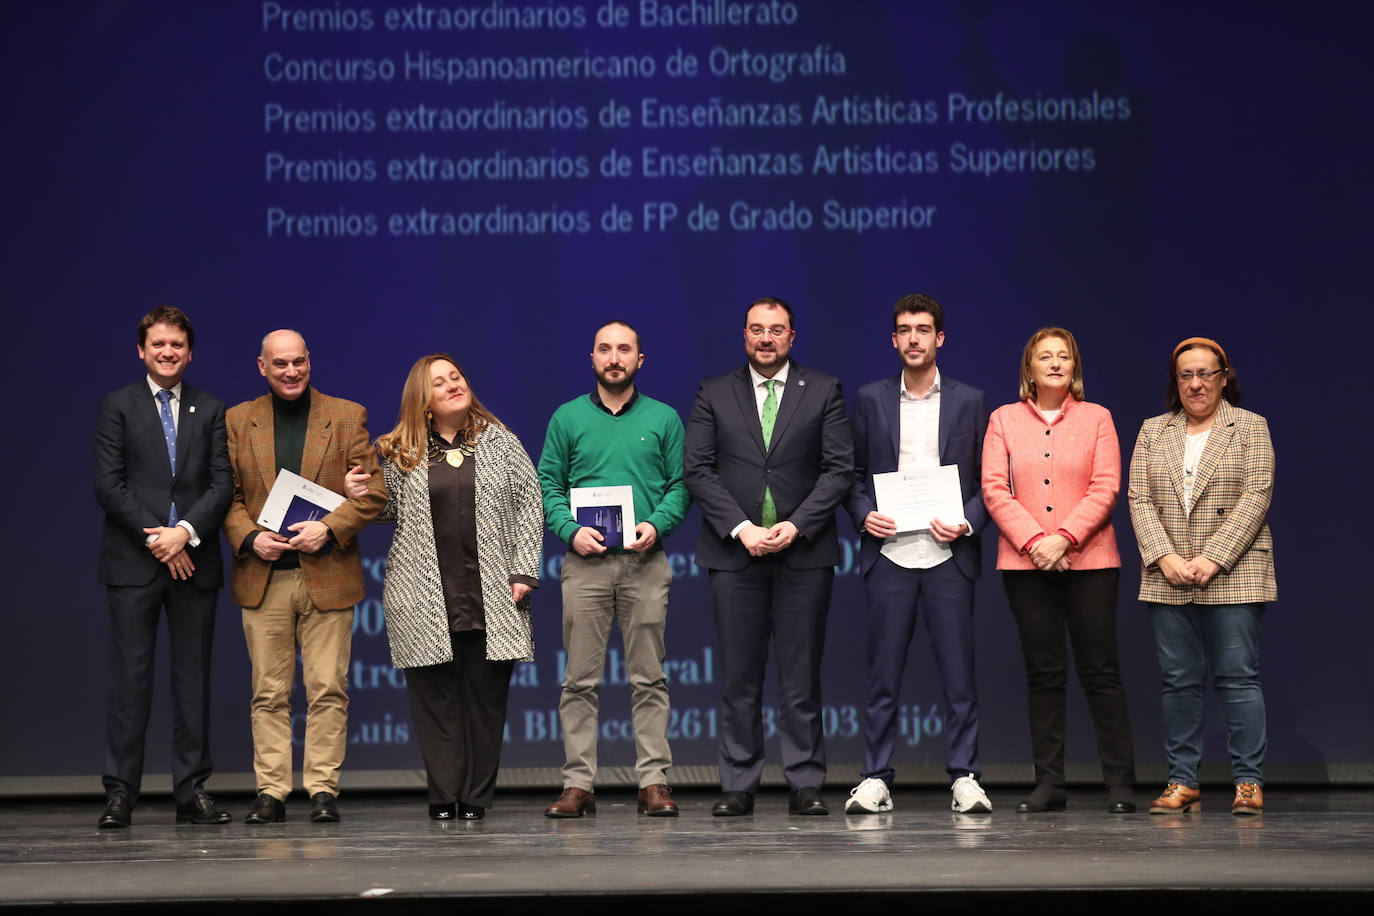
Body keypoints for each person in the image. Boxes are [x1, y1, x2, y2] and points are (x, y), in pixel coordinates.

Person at [352, 355, 541, 821]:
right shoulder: (401, 450)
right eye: (440, 383)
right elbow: (386, 510)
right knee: (435, 704)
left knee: (485, 703)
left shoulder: (501, 442)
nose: (453, 385)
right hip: (421, 596)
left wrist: (522, 570)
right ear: (424, 401)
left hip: (492, 593)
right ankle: (443, 794)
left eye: (456, 376)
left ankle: (474, 797)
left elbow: (529, 505)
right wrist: (358, 494)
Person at [684, 297, 853, 817]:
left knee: (801, 678)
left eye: (776, 330)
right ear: (744, 336)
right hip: (736, 556)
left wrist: (796, 525)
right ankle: (739, 782)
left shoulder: (823, 390)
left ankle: (804, 781)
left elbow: (839, 469)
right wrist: (742, 529)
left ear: (792, 337)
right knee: (739, 678)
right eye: (756, 329)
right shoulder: (714, 391)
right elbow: (698, 470)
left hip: (803, 555)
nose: (766, 338)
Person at [223, 329, 387, 824]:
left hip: (327, 572)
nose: (291, 372)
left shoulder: (345, 415)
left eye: (298, 362)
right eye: (280, 364)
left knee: (327, 688)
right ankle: (271, 791)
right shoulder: (237, 420)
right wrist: (250, 537)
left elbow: (373, 494)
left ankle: (322, 790)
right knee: (268, 693)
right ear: (261, 366)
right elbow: (226, 497)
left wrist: (330, 528)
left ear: (309, 361)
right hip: (264, 574)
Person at [842, 294, 993, 816]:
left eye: (923, 329)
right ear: (893, 340)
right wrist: (864, 515)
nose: (913, 338)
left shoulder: (971, 401)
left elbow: (986, 481)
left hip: (950, 553)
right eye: (904, 330)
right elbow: (851, 476)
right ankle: (876, 777)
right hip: (890, 552)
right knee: (882, 678)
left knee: (959, 679)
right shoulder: (870, 399)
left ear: (939, 339)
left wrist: (967, 520)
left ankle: (966, 776)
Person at [537, 321, 691, 818]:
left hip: (645, 561)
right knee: (579, 680)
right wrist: (567, 529)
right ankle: (578, 784)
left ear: (640, 360)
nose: (614, 357)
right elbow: (547, 484)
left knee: (649, 678)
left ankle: (652, 782)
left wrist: (658, 523)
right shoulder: (567, 418)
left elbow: (681, 485)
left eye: (624, 349)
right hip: (586, 564)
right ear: (593, 358)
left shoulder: (664, 418)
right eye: (605, 349)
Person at [982, 327, 1136, 814]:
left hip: (1090, 562)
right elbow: (994, 489)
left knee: (1101, 671)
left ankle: (1120, 784)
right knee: (1044, 673)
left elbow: (1106, 485)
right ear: (1029, 368)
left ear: (1074, 367)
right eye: (1044, 357)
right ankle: (1049, 782)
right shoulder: (1003, 419)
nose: (1054, 364)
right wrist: (1036, 543)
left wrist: (1063, 538)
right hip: (1027, 566)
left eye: (1063, 356)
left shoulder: (1098, 418)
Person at [93, 306, 233, 829]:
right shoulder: (117, 406)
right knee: (130, 682)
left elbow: (222, 485)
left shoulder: (212, 408)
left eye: (177, 345)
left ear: (189, 352)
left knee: (192, 682)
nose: (167, 353)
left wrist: (185, 535)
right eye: (158, 345)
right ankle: (120, 794)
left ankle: (191, 791)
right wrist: (160, 537)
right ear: (141, 350)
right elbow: (108, 484)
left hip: (194, 562)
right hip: (135, 562)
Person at [1128, 337, 1275, 816]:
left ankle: (1247, 783)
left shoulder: (1250, 427)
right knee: (1179, 682)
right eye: (1185, 375)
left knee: (1237, 678)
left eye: (1205, 374)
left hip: (1233, 572)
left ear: (1223, 376)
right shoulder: (1153, 431)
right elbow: (1139, 499)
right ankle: (1182, 781)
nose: (1195, 384)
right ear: (1176, 381)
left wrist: (1214, 557)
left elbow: (1256, 495)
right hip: (1167, 575)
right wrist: (1163, 555)